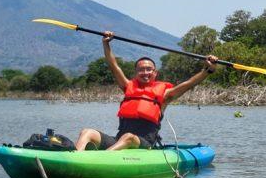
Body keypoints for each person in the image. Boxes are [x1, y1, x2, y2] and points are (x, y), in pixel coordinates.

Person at [75, 31, 219, 151]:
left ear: (155, 73)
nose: (145, 72)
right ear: (135, 72)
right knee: (87, 132)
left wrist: (208, 70)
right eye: (141, 69)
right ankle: (75, 158)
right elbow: (114, 66)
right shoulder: (128, 86)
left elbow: (188, 84)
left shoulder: (165, 95)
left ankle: (101, 159)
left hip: (144, 143)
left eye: (149, 69)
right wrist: (106, 43)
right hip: (119, 140)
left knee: (129, 137)